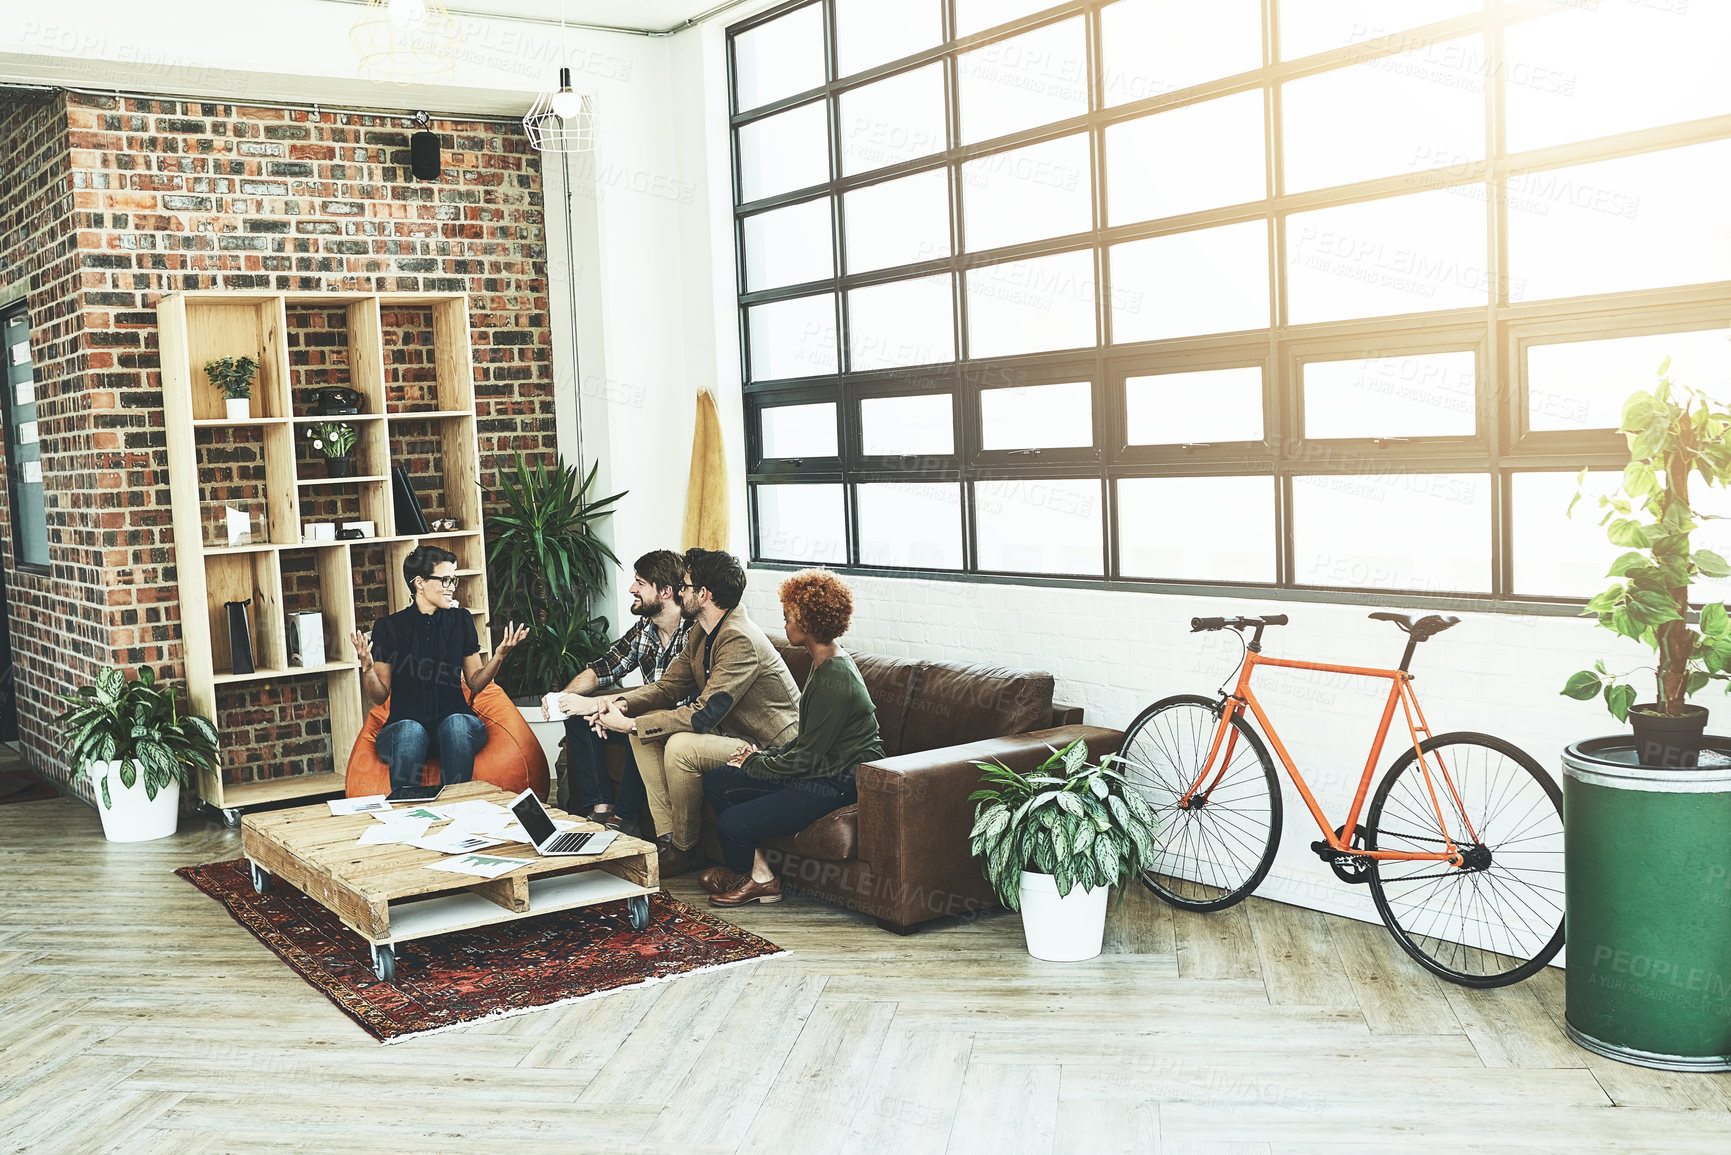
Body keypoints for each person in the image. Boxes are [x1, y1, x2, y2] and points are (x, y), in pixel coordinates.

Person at [588, 549, 798, 877]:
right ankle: (667, 839)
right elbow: (668, 686)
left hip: (770, 749)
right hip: (731, 736)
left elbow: (702, 714)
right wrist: (622, 705)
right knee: (643, 737)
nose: (680, 591)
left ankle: (685, 850)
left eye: (685, 586)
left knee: (679, 746)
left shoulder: (739, 639)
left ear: (703, 594)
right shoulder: (702, 630)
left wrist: (630, 724)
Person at [697, 570, 881, 907]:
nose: (784, 625)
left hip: (837, 782)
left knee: (732, 824)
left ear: (809, 622)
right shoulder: (822, 662)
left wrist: (754, 762)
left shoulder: (834, 677)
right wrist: (758, 758)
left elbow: (807, 761)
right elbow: (805, 740)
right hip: (818, 769)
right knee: (720, 781)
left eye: (788, 618)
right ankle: (756, 873)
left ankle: (761, 882)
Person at [350, 545, 527, 794]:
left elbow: (475, 682)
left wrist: (499, 656)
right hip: (403, 728)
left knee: (455, 724)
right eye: (445, 579)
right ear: (419, 583)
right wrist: (367, 668)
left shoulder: (461, 620)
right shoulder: (389, 627)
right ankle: (406, 812)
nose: (452, 586)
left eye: (453, 579)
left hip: (458, 728)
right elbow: (379, 696)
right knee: (411, 730)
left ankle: (458, 808)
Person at [545, 549, 692, 833]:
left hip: (674, 723)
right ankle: (602, 808)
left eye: (640, 583)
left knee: (641, 727)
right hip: (643, 710)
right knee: (579, 717)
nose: (631, 589)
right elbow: (603, 669)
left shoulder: (692, 634)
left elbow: (674, 698)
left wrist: (613, 711)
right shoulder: (645, 629)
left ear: (665, 591)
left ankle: (626, 818)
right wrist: (564, 699)